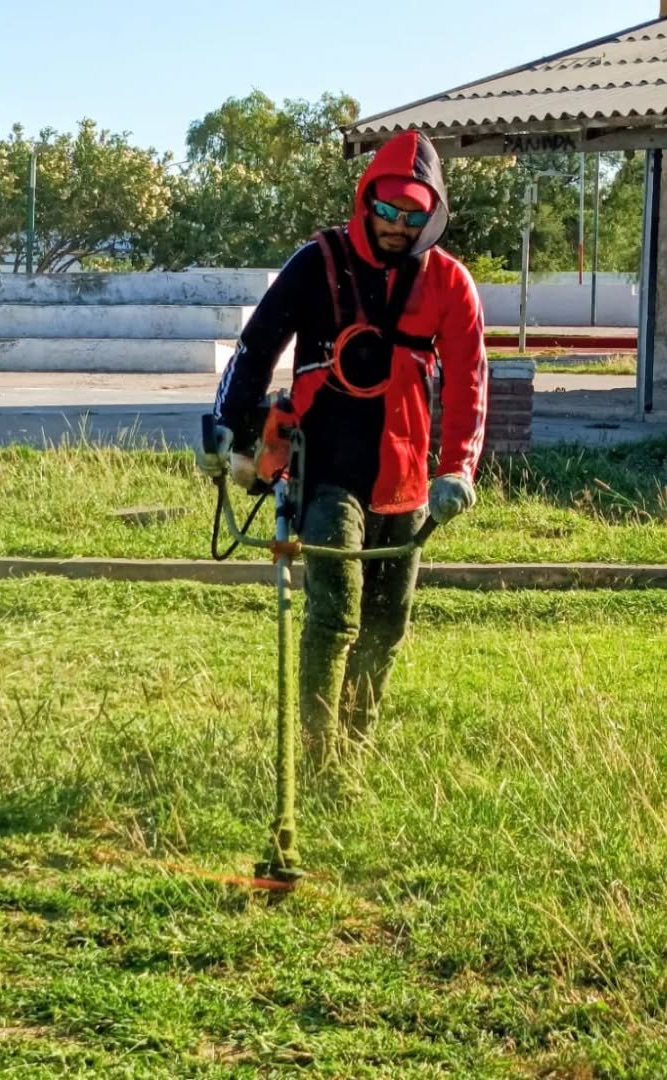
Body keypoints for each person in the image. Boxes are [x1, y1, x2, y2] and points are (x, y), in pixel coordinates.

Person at [200, 129, 488, 769]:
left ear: (430, 216)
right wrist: (228, 431)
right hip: (326, 471)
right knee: (335, 620)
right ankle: (318, 759)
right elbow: (256, 347)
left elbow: (469, 380)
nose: (397, 226)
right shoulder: (318, 263)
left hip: (407, 481)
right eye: (388, 210)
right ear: (367, 200)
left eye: (412, 216)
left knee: (386, 629)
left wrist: (458, 469)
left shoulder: (449, 283)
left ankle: (354, 752)